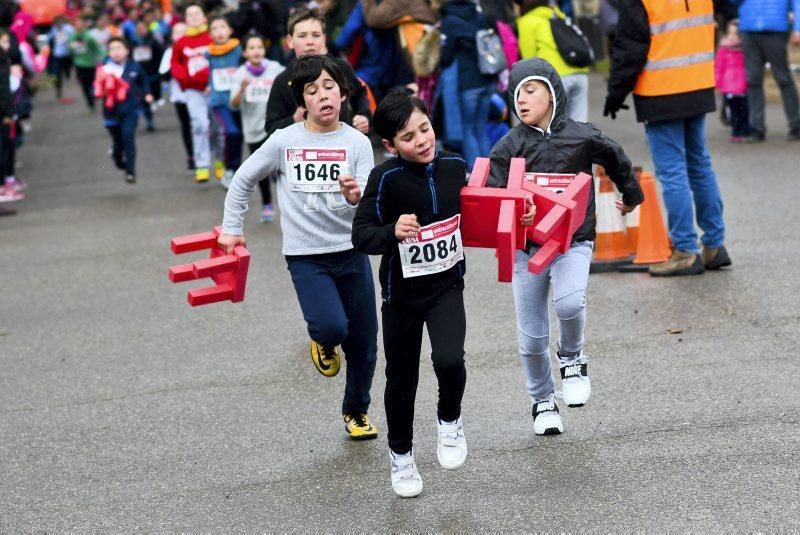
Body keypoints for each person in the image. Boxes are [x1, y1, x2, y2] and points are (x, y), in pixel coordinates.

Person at [218, 55, 379, 441]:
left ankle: (356, 411)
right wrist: (232, 228)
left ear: (343, 93)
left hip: (350, 249)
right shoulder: (285, 141)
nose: (322, 95)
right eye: (312, 90)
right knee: (331, 326)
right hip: (306, 254)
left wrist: (358, 196)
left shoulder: (357, 143)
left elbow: (372, 204)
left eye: (329, 87)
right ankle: (322, 341)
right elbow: (242, 179)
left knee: (365, 342)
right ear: (301, 100)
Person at [490, 58, 643, 435]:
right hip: (527, 249)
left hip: (574, 241)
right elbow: (493, 194)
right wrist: (513, 214)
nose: (521, 99)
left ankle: (572, 358)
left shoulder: (581, 135)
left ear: (553, 92)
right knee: (532, 337)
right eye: (516, 92)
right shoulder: (509, 146)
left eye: (530, 90)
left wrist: (632, 195)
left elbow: (616, 157)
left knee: (570, 302)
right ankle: (542, 400)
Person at [351, 91, 469, 498]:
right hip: (401, 295)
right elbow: (361, 234)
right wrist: (391, 232)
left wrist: (519, 216)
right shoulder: (384, 179)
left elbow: (483, 214)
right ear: (390, 145)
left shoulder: (456, 166)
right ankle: (401, 456)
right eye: (408, 137)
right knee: (401, 378)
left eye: (425, 128)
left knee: (450, 359)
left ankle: (449, 421)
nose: (421, 140)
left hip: (446, 286)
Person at [604, 0, 732, 276]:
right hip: (698, 84)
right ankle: (713, 244)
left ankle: (686, 250)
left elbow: (630, 48)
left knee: (673, 171)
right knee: (699, 165)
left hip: (661, 92)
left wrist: (616, 92)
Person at [264, 7, 371, 138]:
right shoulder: (282, 80)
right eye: (302, 35)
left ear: (324, 39)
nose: (310, 42)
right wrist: (294, 120)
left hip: (340, 149)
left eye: (316, 35)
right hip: (302, 153)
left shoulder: (341, 68)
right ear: (290, 41)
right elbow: (271, 128)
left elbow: (360, 94)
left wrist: (364, 115)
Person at [230, 34, 284, 222]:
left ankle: (285, 199)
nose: (256, 51)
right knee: (261, 170)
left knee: (283, 166)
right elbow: (234, 104)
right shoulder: (239, 74)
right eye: (251, 48)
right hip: (252, 129)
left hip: (275, 126)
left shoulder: (275, 68)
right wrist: (242, 89)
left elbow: (290, 82)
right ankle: (267, 202)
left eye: (259, 47)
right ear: (245, 52)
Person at [439, 0, 498, 171]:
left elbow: (446, 57)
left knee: (468, 129)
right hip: (487, 79)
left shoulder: (449, 21)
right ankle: (489, 171)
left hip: (468, 83)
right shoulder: (480, 16)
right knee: (480, 127)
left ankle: (476, 171)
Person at [515, 0, 591, 123]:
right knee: (579, 125)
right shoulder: (558, 15)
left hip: (554, 76)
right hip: (579, 72)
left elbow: (529, 58)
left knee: (553, 126)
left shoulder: (527, 21)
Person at [737, 0, 800, 141]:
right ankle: (756, 128)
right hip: (749, 30)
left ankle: (795, 125)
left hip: (775, 31)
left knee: (783, 79)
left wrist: (798, 29)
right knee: (753, 80)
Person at [95, 37, 153, 183]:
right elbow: (96, 88)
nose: (116, 52)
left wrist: (148, 94)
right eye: (112, 49)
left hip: (130, 110)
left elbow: (143, 81)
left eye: (119, 48)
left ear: (126, 50)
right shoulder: (104, 69)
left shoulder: (134, 67)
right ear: (108, 52)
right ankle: (117, 157)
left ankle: (130, 170)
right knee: (118, 141)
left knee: (128, 136)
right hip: (111, 112)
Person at [170, 4, 214, 182]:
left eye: (197, 13)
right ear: (186, 20)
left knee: (217, 128)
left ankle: (221, 162)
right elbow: (175, 66)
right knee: (199, 125)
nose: (194, 16)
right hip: (193, 91)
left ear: (204, 17)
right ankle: (202, 165)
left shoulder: (212, 37)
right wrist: (189, 81)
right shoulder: (181, 43)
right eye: (190, 14)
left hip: (213, 88)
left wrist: (209, 82)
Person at [206, 16, 243, 188]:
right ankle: (229, 169)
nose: (219, 31)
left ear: (230, 30)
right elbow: (209, 73)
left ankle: (236, 168)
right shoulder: (208, 53)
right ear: (210, 33)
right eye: (215, 28)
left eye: (222, 27)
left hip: (239, 100)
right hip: (219, 101)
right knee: (232, 132)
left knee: (240, 135)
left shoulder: (238, 50)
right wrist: (208, 86)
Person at [160, 22, 195, 173]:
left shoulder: (195, 49)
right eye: (177, 32)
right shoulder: (169, 52)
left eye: (184, 31)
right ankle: (191, 157)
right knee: (187, 126)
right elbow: (163, 76)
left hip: (199, 94)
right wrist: (175, 65)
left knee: (203, 126)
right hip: (180, 97)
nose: (180, 35)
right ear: (172, 36)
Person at [715, 19, 750, 143]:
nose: (732, 37)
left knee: (745, 110)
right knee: (733, 111)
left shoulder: (746, 50)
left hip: (744, 85)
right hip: (729, 87)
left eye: (735, 34)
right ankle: (736, 131)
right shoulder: (723, 50)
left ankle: (745, 130)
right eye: (730, 33)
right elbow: (718, 68)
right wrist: (718, 83)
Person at [131, 20, 164, 131]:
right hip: (139, 75)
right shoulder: (132, 42)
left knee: (154, 93)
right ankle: (149, 120)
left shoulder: (153, 40)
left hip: (153, 72)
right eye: (138, 28)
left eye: (142, 27)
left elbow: (161, 54)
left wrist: (161, 70)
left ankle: (154, 103)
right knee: (144, 98)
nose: (140, 30)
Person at [70, 17, 104, 112]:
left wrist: (102, 58)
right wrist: (71, 48)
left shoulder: (89, 36)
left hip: (90, 63)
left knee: (92, 83)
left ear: (84, 25)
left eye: (80, 24)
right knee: (83, 85)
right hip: (79, 64)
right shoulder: (73, 36)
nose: (78, 26)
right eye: (76, 24)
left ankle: (93, 95)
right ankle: (90, 103)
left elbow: (97, 48)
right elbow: (71, 50)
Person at [48, 16, 74, 99]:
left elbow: (74, 37)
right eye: (56, 25)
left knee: (67, 69)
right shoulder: (54, 29)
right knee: (57, 73)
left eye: (59, 24)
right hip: (57, 54)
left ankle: (67, 73)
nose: (57, 26)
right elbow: (49, 37)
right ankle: (58, 89)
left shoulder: (69, 29)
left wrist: (68, 40)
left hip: (67, 54)